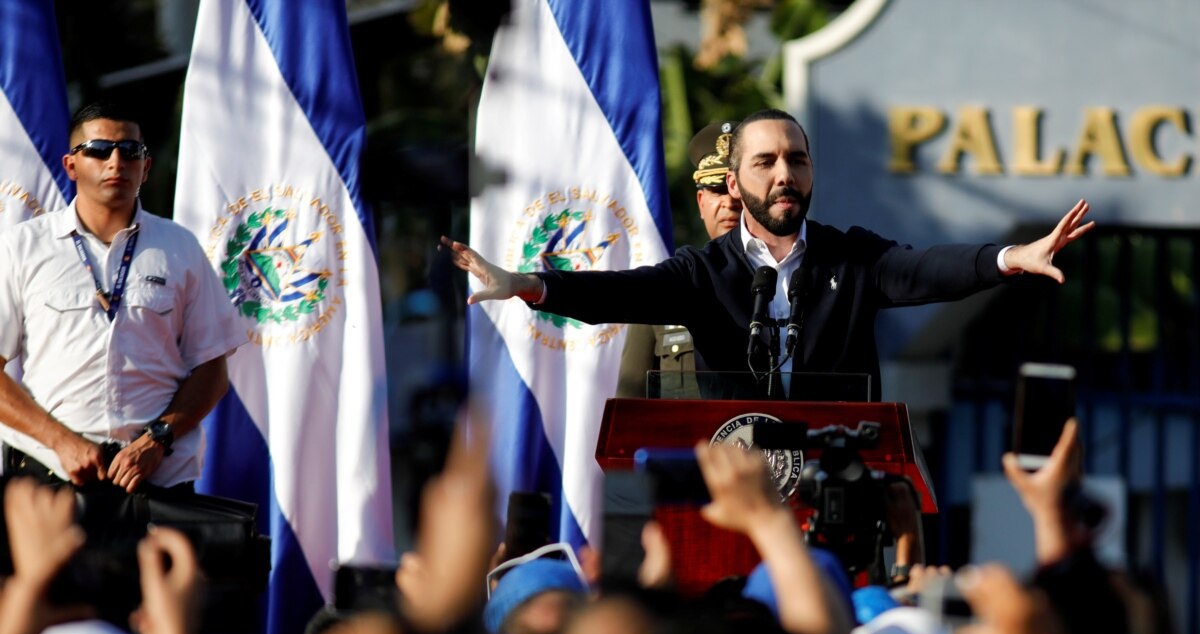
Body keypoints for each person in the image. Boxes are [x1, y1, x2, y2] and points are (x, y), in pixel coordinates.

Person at [441, 108, 1094, 401]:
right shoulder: (703, 273)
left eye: (798, 160)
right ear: (733, 183)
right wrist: (526, 283)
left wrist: (1012, 256)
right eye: (767, 162)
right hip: (735, 481)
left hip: (833, 474)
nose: (785, 174)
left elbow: (927, 269)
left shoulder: (851, 258)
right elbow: (621, 292)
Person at [0, 100, 244, 494]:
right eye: (98, 150)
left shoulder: (180, 247)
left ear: (145, 167)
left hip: (157, 481)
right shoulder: (21, 247)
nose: (116, 162)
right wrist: (61, 442)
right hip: (53, 481)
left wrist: (158, 439)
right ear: (71, 166)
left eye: (130, 151)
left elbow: (212, 371)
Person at [616, 120, 742, 398]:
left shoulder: (788, 284)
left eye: (739, 190)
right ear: (701, 203)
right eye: (717, 190)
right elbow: (631, 401)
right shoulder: (663, 288)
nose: (730, 201)